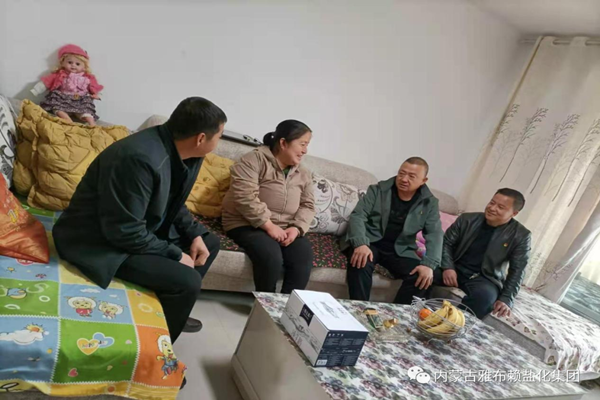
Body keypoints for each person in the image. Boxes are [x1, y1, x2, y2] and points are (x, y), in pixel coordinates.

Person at [53, 97, 227, 342]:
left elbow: (173, 201)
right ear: (200, 138)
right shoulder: (138, 159)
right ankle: (159, 351)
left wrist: (195, 234)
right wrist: (176, 255)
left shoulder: (186, 154)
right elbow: (124, 232)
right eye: (219, 136)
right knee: (187, 281)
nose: (219, 142)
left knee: (208, 242)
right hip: (99, 241)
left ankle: (173, 309)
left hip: (138, 228)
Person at [222, 120, 315, 293]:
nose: (305, 150)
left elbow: (308, 205)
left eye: (307, 145)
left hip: (285, 227)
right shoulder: (253, 159)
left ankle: (289, 305)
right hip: (246, 223)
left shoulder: (304, 173)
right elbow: (244, 196)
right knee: (271, 256)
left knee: (303, 257)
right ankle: (265, 303)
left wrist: (296, 228)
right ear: (283, 143)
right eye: (302, 144)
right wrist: (269, 226)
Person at [343, 157, 443, 303]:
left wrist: (429, 264)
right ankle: (359, 308)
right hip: (371, 241)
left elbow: (435, 233)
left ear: (423, 180)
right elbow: (358, 215)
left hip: (400, 250)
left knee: (422, 275)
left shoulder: (429, 203)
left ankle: (395, 312)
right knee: (361, 261)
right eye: (401, 173)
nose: (404, 179)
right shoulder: (378, 190)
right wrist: (360, 243)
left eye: (411, 176)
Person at [432, 188, 531, 319]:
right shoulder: (467, 219)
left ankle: (451, 326)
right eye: (492, 202)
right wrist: (448, 267)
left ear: (514, 213)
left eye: (500, 207)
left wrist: (507, 298)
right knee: (418, 272)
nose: (492, 208)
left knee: (484, 299)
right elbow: (446, 243)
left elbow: (518, 270)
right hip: (455, 266)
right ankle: (408, 311)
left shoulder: (521, 235)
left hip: (485, 278)